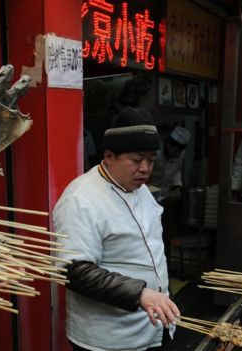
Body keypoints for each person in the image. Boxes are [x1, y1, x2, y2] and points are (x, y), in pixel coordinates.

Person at [54, 106, 180, 351]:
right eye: (136, 160)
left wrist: (164, 291)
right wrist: (141, 294)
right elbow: (74, 270)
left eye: (151, 160)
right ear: (109, 157)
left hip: (153, 326)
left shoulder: (141, 189)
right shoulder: (81, 199)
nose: (145, 168)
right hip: (110, 338)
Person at [151, 126, 192, 201]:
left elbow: (177, 170)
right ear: (169, 145)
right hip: (148, 193)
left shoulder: (181, 153)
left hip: (165, 196)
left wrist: (176, 185)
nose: (177, 154)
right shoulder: (155, 151)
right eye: (175, 151)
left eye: (180, 151)